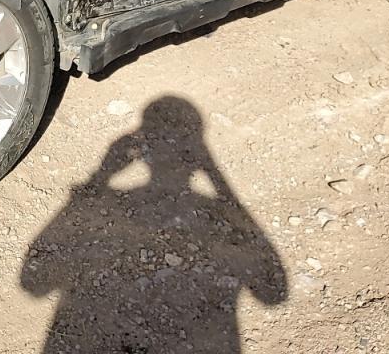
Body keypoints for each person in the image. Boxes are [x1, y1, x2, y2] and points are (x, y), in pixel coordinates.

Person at [22, 95, 287, 353]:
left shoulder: (116, 205)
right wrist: (215, 175)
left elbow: (33, 282)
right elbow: (272, 292)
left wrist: (101, 176)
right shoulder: (209, 209)